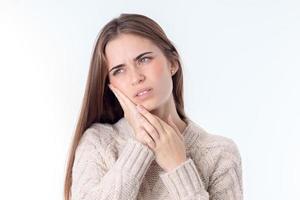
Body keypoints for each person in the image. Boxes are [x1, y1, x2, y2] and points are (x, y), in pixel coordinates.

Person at [64, 13, 243, 200]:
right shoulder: (99, 142)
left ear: (172, 63)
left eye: (144, 59)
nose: (136, 77)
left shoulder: (220, 153)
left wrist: (178, 167)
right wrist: (141, 145)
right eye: (119, 70)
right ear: (110, 85)